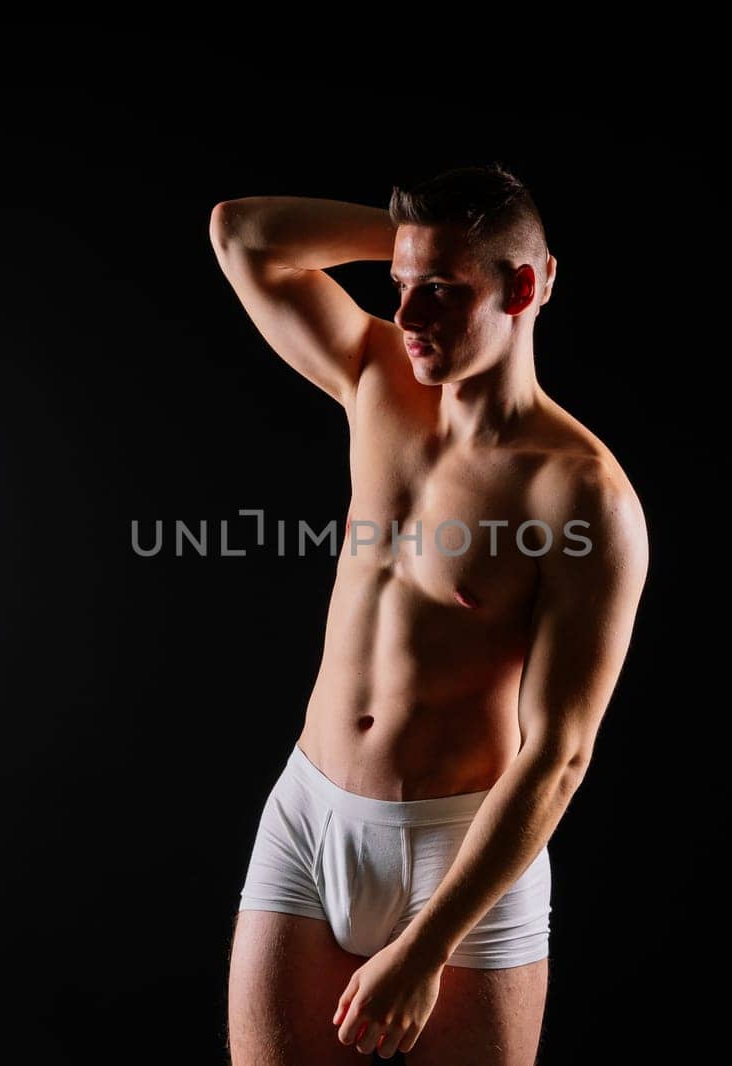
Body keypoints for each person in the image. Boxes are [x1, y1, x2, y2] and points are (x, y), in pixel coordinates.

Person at [211, 163, 649, 1064]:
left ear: (523, 288)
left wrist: (428, 947)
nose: (407, 318)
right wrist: (419, 247)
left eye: (441, 293)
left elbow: (560, 753)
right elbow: (240, 232)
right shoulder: (375, 378)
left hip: (462, 856)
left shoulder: (580, 494)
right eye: (400, 289)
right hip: (309, 816)